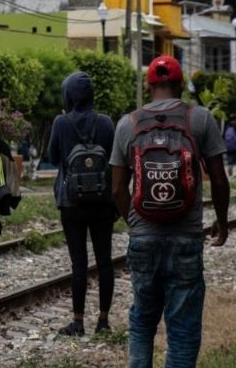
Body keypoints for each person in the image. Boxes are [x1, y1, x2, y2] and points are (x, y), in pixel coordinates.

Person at [111, 55, 230, 368]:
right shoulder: (199, 118)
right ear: (180, 86)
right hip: (186, 239)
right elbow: (219, 178)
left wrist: (134, 222)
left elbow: (116, 187)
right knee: (182, 330)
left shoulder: (128, 123)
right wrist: (221, 220)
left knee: (141, 322)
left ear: (150, 86)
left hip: (143, 238)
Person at [46, 71, 116, 337]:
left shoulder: (61, 122)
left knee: (79, 264)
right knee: (105, 261)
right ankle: (104, 320)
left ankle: (77, 321)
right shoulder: (107, 123)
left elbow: (53, 157)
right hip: (102, 202)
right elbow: (114, 160)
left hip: (71, 202)